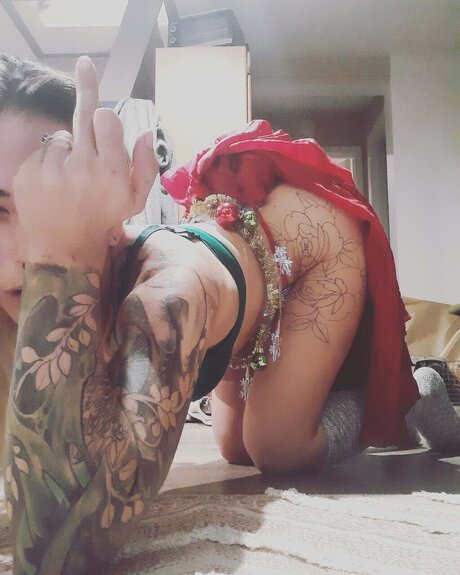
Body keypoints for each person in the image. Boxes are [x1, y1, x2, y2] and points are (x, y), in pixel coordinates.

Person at [1, 54, 459, 575]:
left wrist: (61, 256)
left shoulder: (164, 296)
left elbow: (56, 554)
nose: (25, 250)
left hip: (313, 242)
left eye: (56, 200)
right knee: (234, 449)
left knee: (276, 447)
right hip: (238, 257)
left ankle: (418, 389)